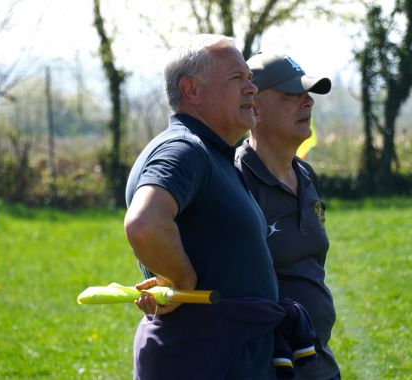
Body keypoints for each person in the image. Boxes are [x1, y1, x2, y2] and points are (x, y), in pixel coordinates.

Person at [124, 35, 279, 379]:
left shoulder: (210, 153)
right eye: (237, 78)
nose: (251, 88)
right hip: (203, 357)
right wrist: (182, 280)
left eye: (249, 77)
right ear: (191, 90)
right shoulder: (184, 150)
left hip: (221, 353)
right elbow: (144, 224)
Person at [235, 51, 340, 380]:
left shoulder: (307, 175)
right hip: (266, 366)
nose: (307, 102)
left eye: (308, 95)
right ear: (255, 108)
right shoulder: (234, 180)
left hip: (317, 360)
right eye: (291, 95)